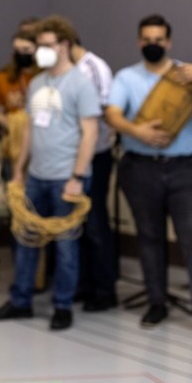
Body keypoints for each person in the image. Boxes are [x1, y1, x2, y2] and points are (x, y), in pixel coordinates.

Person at [0, 16, 100, 330]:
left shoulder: (80, 82)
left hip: (66, 177)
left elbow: (90, 133)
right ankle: (21, 301)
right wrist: (20, 170)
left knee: (65, 243)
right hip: (35, 175)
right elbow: (32, 131)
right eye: (40, 46)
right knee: (26, 239)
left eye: (48, 45)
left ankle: (63, 305)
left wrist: (77, 176)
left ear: (64, 45)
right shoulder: (36, 82)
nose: (42, 52)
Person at [105, 14, 192, 330]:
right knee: (150, 237)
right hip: (141, 168)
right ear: (138, 42)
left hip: (186, 168)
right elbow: (112, 114)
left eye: (158, 39)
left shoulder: (187, 75)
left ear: (169, 42)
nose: (152, 45)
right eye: (146, 39)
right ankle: (156, 302)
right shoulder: (126, 78)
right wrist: (137, 132)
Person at [70, 37, 117, 312]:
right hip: (74, 156)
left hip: (96, 155)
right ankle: (84, 284)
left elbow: (99, 114)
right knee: (81, 224)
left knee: (97, 222)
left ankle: (104, 289)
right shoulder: (69, 70)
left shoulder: (94, 67)